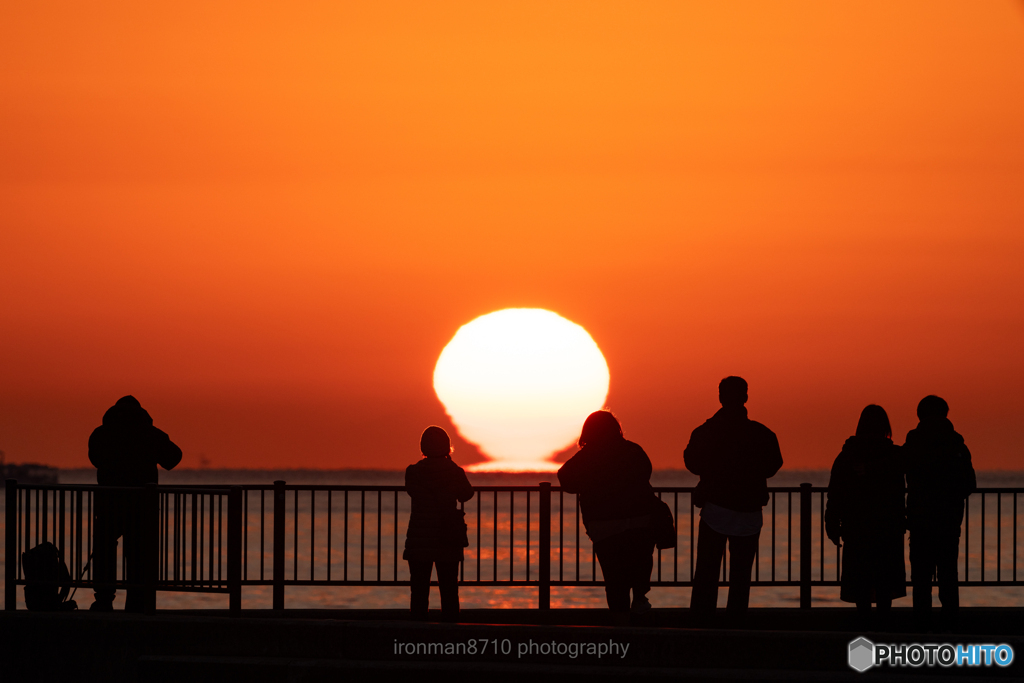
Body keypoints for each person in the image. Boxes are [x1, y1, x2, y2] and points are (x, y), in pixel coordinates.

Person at [684, 376, 783, 625]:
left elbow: (691, 462)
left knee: (707, 571)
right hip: (749, 512)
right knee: (741, 574)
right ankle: (736, 622)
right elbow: (773, 465)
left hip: (715, 509)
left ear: (720, 396)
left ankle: (701, 622)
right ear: (745, 397)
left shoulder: (706, 431)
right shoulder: (762, 434)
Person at [558, 411, 656, 625]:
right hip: (640, 522)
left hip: (605, 527)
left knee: (614, 578)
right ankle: (640, 607)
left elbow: (565, 479)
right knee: (639, 570)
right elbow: (645, 473)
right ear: (616, 429)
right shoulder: (633, 450)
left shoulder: (588, 455)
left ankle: (620, 626)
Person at [88, 395, 182, 612]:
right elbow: (173, 459)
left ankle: (103, 599)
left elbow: (95, 459)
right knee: (139, 553)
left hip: (108, 504)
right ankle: (137, 601)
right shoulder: (150, 434)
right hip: (142, 506)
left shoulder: (101, 434)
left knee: (104, 551)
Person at [825, 405, 906, 627]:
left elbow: (835, 492)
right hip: (888, 527)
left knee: (860, 579)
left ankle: (864, 624)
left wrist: (832, 524)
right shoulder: (894, 455)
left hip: (856, 526)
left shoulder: (847, 454)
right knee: (885, 581)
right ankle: (884, 626)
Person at [904, 395, 976, 631]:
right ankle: (951, 626)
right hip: (948, 521)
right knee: (948, 576)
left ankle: (921, 627)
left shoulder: (914, 442)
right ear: (946, 414)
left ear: (920, 415)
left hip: (920, 520)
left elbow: (900, 470)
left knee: (921, 580)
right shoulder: (956, 444)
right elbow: (969, 483)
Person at [403, 426, 474, 621]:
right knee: (449, 588)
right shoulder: (454, 471)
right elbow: (467, 494)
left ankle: (417, 635)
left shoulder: (414, 472)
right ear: (446, 447)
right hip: (446, 536)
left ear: (423, 447)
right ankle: (450, 634)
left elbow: (411, 490)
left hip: (419, 537)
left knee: (418, 590)